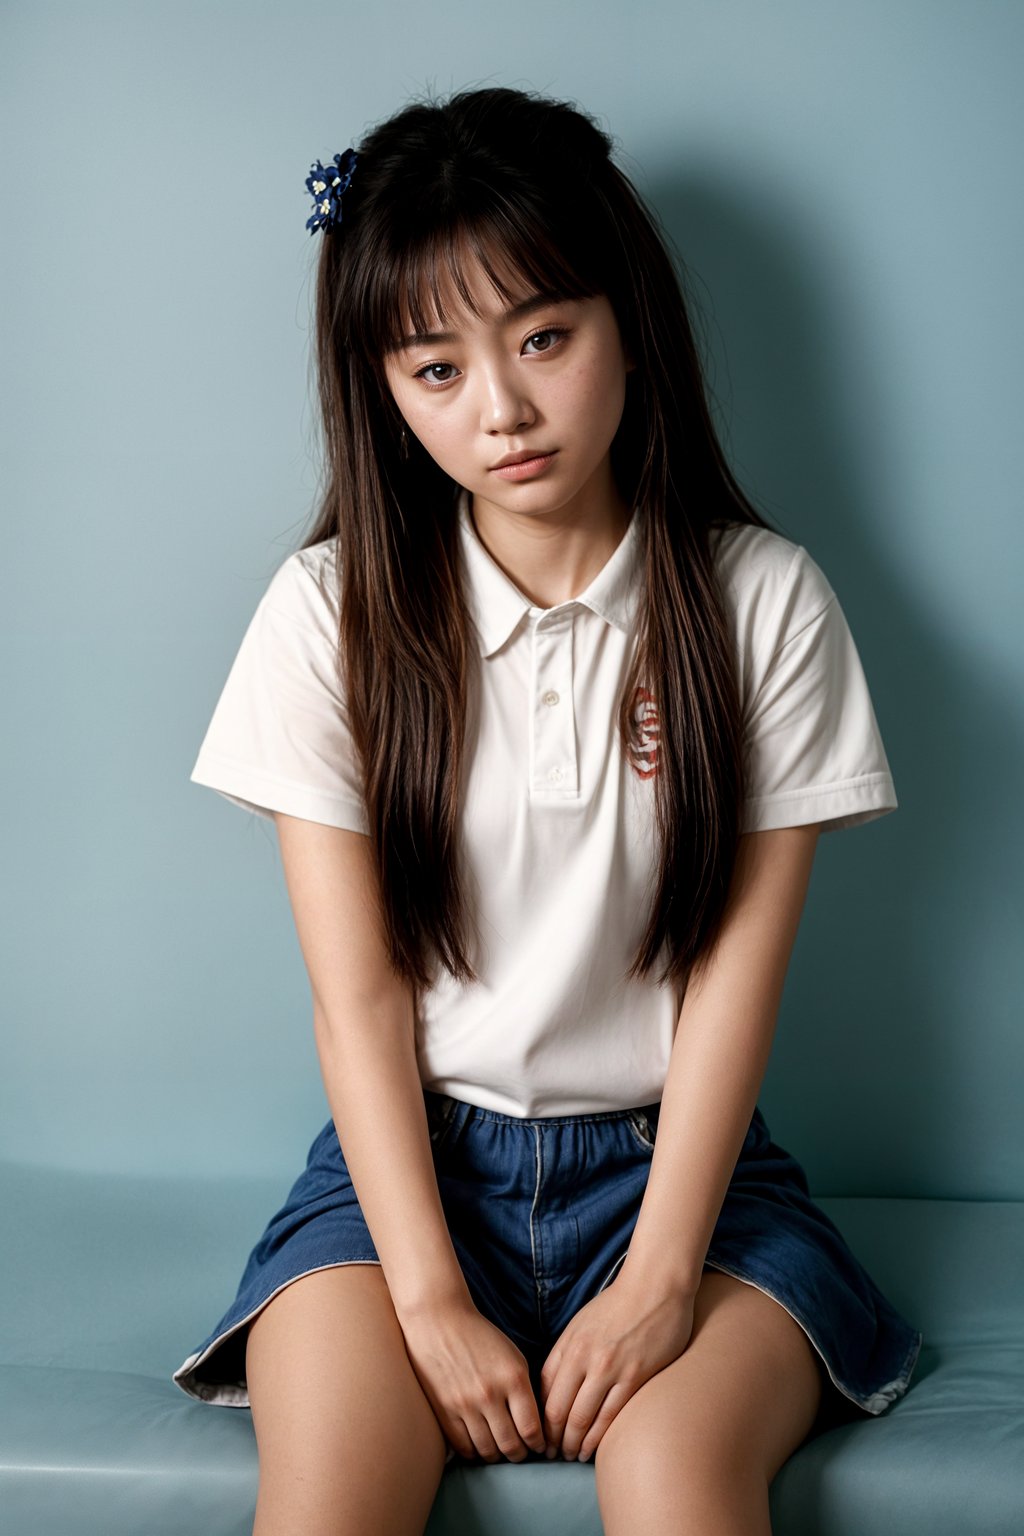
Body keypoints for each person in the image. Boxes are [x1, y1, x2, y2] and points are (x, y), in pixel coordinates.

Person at [173, 86, 923, 1536]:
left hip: (688, 1183)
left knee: (675, 1481)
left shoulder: (764, 603)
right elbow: (360, 1001)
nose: (501, 410)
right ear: (381, 390)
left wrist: (654, 1282)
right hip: (403, 1182)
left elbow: (729, 987)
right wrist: (432, 1296)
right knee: (327, 1504)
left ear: (626, 318)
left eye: (543, 339)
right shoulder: (329, 617)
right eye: (434, 368)